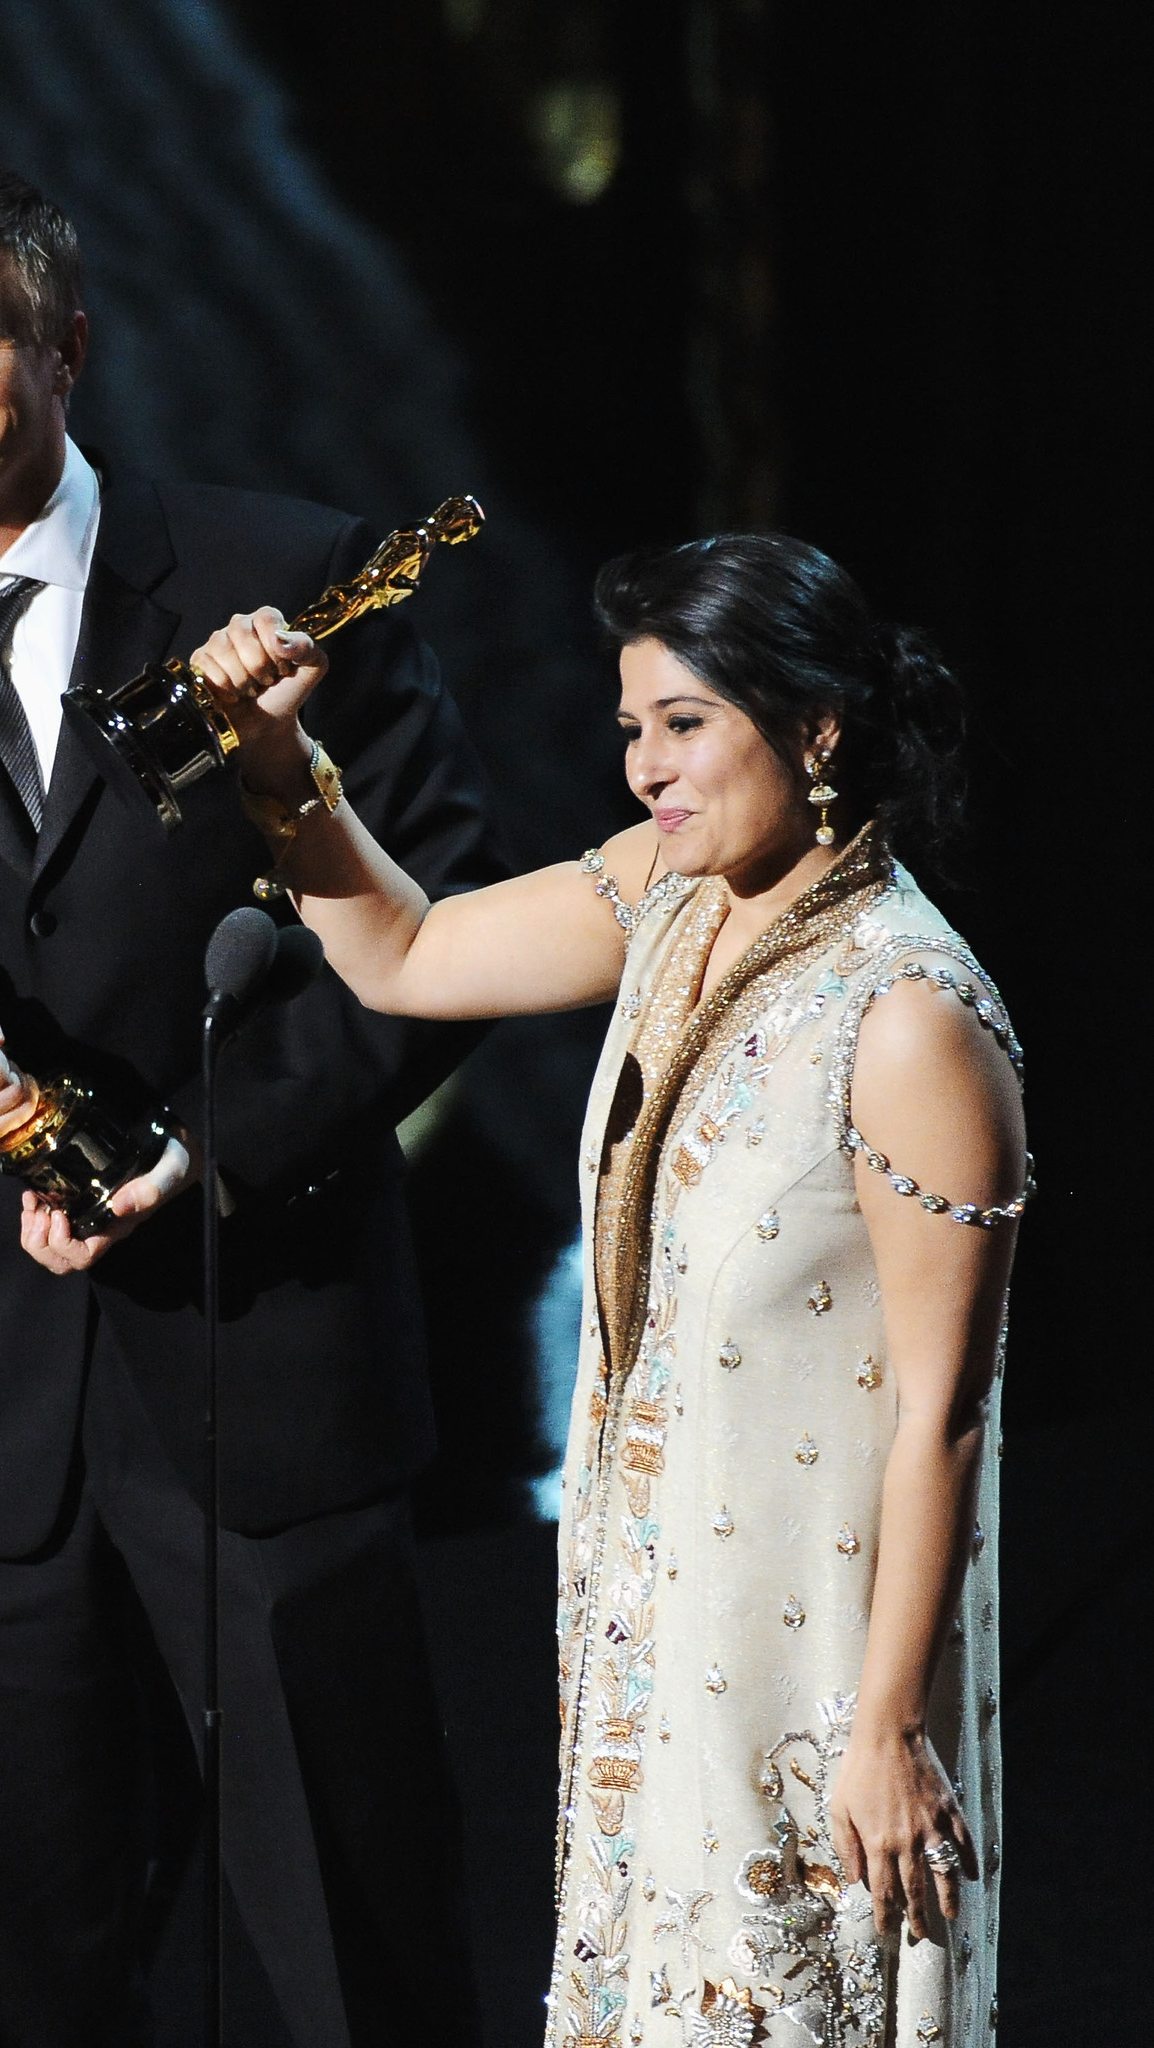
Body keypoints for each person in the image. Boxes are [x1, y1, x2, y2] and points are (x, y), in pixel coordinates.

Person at [0, 163, 503, 2048]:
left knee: (354, 1944)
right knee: (28, 1970)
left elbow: (435, 924)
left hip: (267, 1361)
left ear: (67, 347)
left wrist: (202, 1157)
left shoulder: (284, 574)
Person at [190, 534, 1027, 2048]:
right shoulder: (667, 895)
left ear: (817, 726)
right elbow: (408, 953)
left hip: (818, 1665)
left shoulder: (908, 1021)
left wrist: (891, 1728)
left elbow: (942, 1414)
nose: (648, 765)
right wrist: (275, 749)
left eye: (687, 724)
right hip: (656, 1623)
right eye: (633, 726)